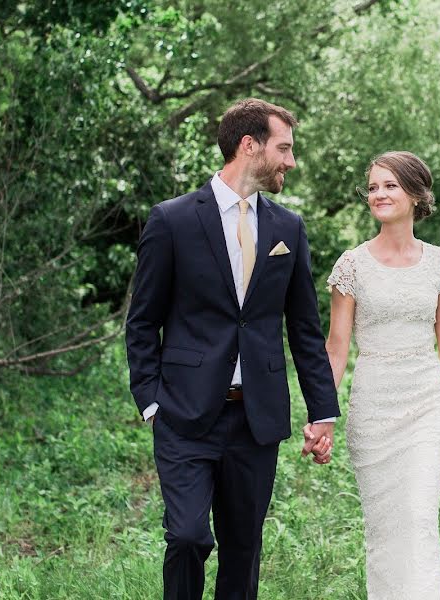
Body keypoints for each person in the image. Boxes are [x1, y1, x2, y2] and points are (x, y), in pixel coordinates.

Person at [125, 98, 339, 600]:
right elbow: (143, 322)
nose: (290, 161)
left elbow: (304, 328)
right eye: (283, 148)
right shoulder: (172, 220)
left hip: (255, 418)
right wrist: (151, 400)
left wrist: (323, 410)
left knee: (243, 550)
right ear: (250, 145)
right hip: (183, 413)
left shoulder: (288, 228)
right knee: (187, 536)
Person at [325, 151, 440, 599]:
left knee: (418, 519)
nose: (378, 194)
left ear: (416, 194)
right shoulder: (351, 265)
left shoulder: (438, 263)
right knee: (384, 529)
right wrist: (323, 415)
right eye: (373, 187)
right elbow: (336, 347)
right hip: (373, 406)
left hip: (426, 403)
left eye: (390, 185)